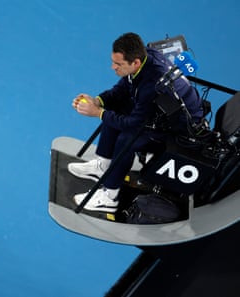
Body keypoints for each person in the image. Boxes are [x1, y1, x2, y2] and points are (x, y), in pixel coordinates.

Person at [69, 32, 203, 213]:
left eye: (118, 64)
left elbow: (133, 124)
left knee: (127, 138)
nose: (112, 67)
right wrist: (98, 101)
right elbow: (122, 90)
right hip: (162, 110)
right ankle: (103, 167)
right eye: (113, 61)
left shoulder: (152, 84)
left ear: (135, 63)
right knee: (114, 111)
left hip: (179, 129)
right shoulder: (144, 56)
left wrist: (98, 113)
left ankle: (110, 197)